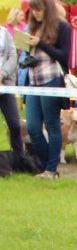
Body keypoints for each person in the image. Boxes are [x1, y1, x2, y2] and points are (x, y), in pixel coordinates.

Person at [24, 0, 72, 179]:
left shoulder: (62, 27)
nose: (35, 13)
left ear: (47, 8)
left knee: (52, 124)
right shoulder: (32, 28)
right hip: (32, 80)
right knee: (33, 127)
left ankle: (51, 169)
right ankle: (46, 166)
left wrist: (41, 44)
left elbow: (64, 56)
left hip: (52, 79)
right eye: (33, 10)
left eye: (39, 9)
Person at [0, 26, 24, 160]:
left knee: (14, 125)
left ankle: (19, 160)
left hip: (6, 85)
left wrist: (2, 74)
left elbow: (13, 55)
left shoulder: (4, 33)